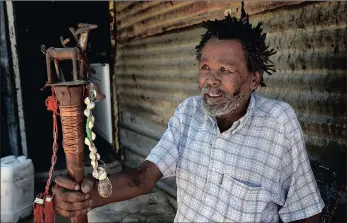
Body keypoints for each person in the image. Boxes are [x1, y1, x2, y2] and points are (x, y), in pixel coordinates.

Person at [53, 4, 325, 222]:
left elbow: (304, 212)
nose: (210, 79)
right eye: (205, 66)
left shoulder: (278, 122)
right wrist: (88, 197)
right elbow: (143, 177)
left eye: (225, 70)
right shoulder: (189, 113)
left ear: (254, 79)